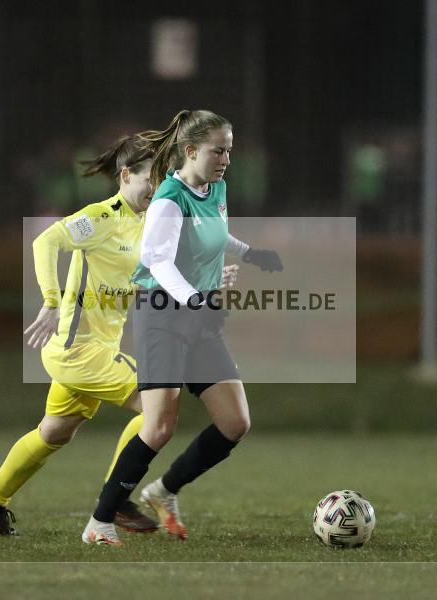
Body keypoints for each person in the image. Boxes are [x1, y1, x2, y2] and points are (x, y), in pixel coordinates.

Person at [0, 134, 239, 536]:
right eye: (151, 177)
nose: (157, 186)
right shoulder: (100, 217)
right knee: (156, 409)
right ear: (126, 175)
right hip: (77, 349)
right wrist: (51, 298)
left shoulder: (149, 221)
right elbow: (46, 241)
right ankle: (116, 501)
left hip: (96, 351)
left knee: (54, 432)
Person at [82, 110, 283, 546]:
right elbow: (158, 262)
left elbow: (215, 235)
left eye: (229, 149)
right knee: (158, 427)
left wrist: (251, 254)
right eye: (218, 150)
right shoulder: (169, 199)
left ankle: (164, 491)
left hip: (200, 318)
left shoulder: (216, 187)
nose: (226, 158)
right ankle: (98, 522)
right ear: (191, 150)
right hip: (162, 315)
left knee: (235, 422)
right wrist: (194, 298)